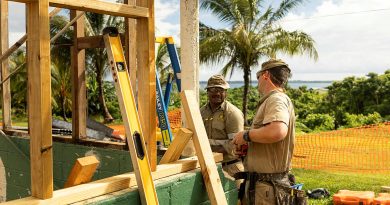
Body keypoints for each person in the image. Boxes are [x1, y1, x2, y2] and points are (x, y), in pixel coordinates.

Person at [232, 59, 306, 204]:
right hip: (263, 187)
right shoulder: (272, 100)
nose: (257, 81)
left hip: (267, 190)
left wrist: (245, 135)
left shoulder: (276, 99)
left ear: (265, 75)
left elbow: (277, 131)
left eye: (258, 76)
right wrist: (250, 147)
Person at [200, 74, 245, 188]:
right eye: (213, 89)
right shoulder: (201, 112)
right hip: (208, 166)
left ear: (226, 92)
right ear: (207, 92)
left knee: (239, 199)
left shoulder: (232, 113)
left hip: (230, 167)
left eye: (220, 89)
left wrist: (214, 155)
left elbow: (236, 142)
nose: (216, 93)